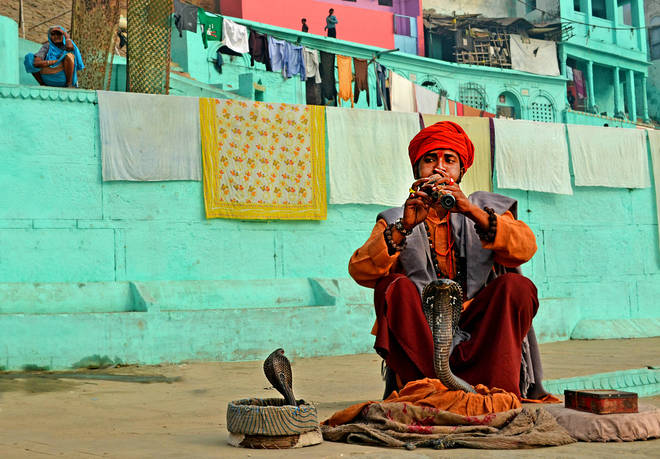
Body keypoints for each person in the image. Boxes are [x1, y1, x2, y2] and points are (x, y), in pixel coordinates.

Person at [348, 121, 549, 401]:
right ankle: (424, 388)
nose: (439, 168)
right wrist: (404, 228)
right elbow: (360, 270)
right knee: (392, 287)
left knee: (517, 286)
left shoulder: (483, 208)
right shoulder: (396, 218)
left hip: (477, 332)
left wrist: (470, 210)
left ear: (461, 171)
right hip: (423, 336)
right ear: (417, 170)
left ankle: (498, 392)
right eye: (429, 159)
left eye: (449, 160)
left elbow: (525, 247)